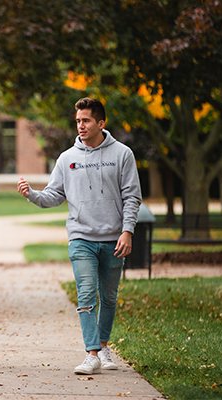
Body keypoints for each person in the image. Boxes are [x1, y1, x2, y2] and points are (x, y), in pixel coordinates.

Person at [17, 97, 141, 375]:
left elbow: (132, 197)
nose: (80, 126)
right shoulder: (67, 158)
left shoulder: (122, 154)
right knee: (86, 295)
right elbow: (53, 195)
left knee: (108, 298)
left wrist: (127, 231)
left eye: (86, 121)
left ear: (101, 122)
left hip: (113, 239)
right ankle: (92, 353)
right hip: (80, 237)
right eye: (78, 121)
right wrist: (32, 194)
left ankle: (104, 344)